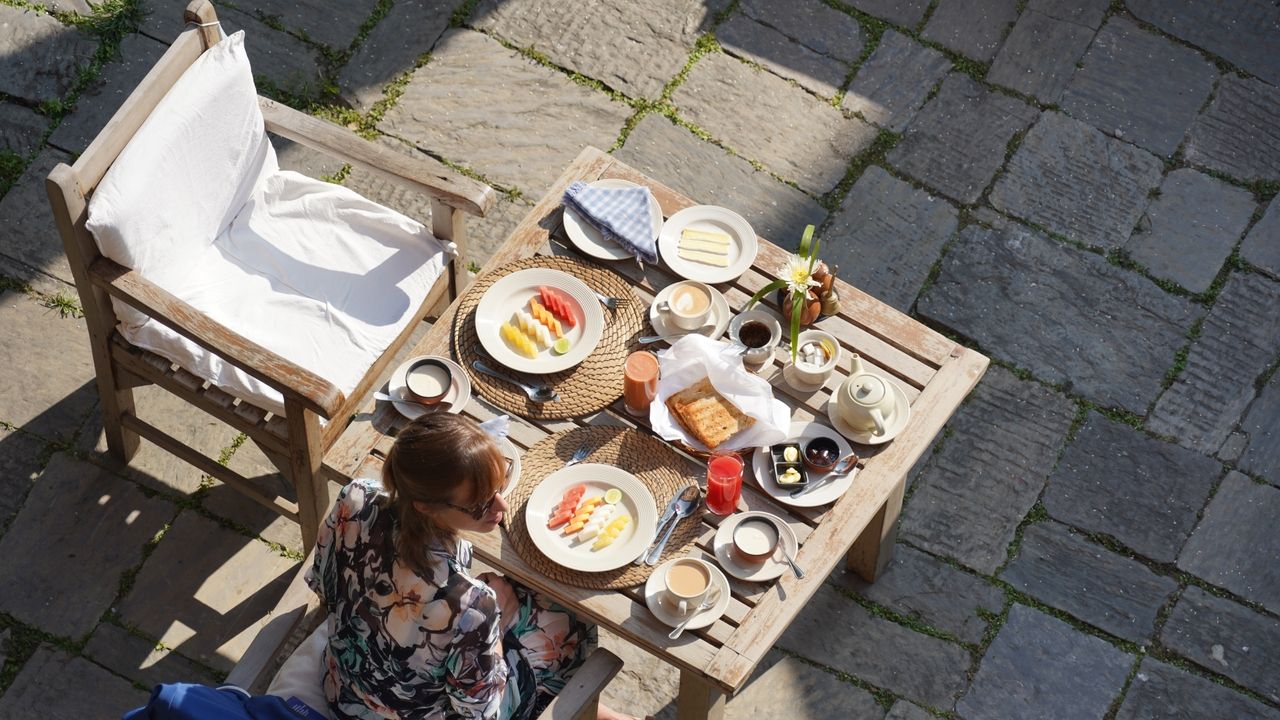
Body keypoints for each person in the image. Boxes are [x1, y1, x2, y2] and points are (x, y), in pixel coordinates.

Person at [307, 413, 640, 720]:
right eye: (480, 504)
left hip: (342, 684)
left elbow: (323, 587)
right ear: (425, 506)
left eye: (499, 485)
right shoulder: (470, 604)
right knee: (570, 625)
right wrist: (497, 622)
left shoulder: (356, 496)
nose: (501, 506)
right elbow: (480, 713)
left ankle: (604, 715)